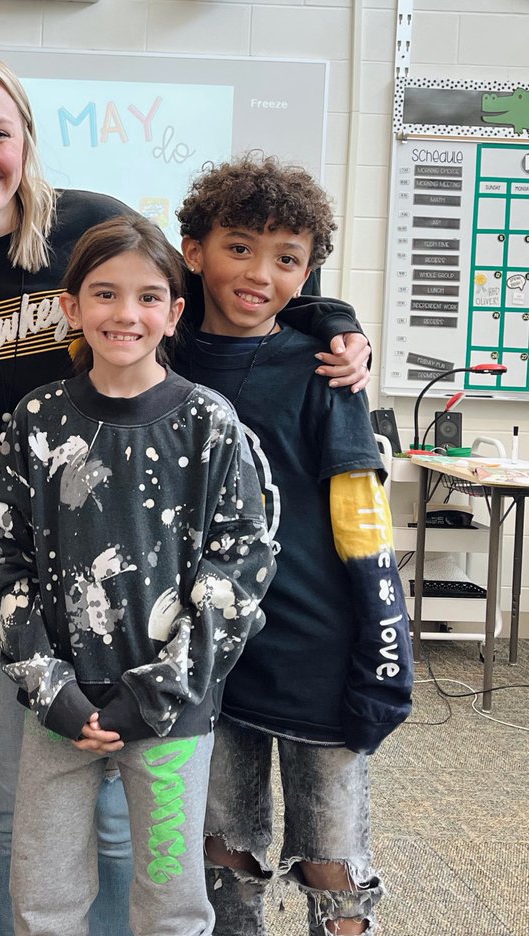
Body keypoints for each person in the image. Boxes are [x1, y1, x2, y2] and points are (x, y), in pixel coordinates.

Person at [0, 51, 369, 936]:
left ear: (27, 141)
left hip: (149, 570)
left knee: (133, 822)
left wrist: (330, 321)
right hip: (28, 568)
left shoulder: (91, 224)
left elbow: (230, 290)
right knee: (18, 807)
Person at [0, 213, 276, 936]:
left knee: (172, 901)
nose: (125, 313)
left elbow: (240, 567)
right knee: (42, 894)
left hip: (172, 712)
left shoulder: (210, 422)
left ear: (174, 313)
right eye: (105, 294)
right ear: (72, 308)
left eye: (148, 297)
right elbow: (3, 557)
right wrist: (48, 685)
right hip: (59, 706)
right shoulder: (37, 420)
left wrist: (160, 692)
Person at [172, 155, 413, 935]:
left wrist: (386, 652)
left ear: (307, 273)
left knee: (332, 865)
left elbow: (362, 518)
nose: (259, 273)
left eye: (287, 259)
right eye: (239, 247)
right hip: (212, 661)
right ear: (193, 250)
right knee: (222, 857)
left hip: (317, 653)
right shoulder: (157, 358)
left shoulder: (325, 371)